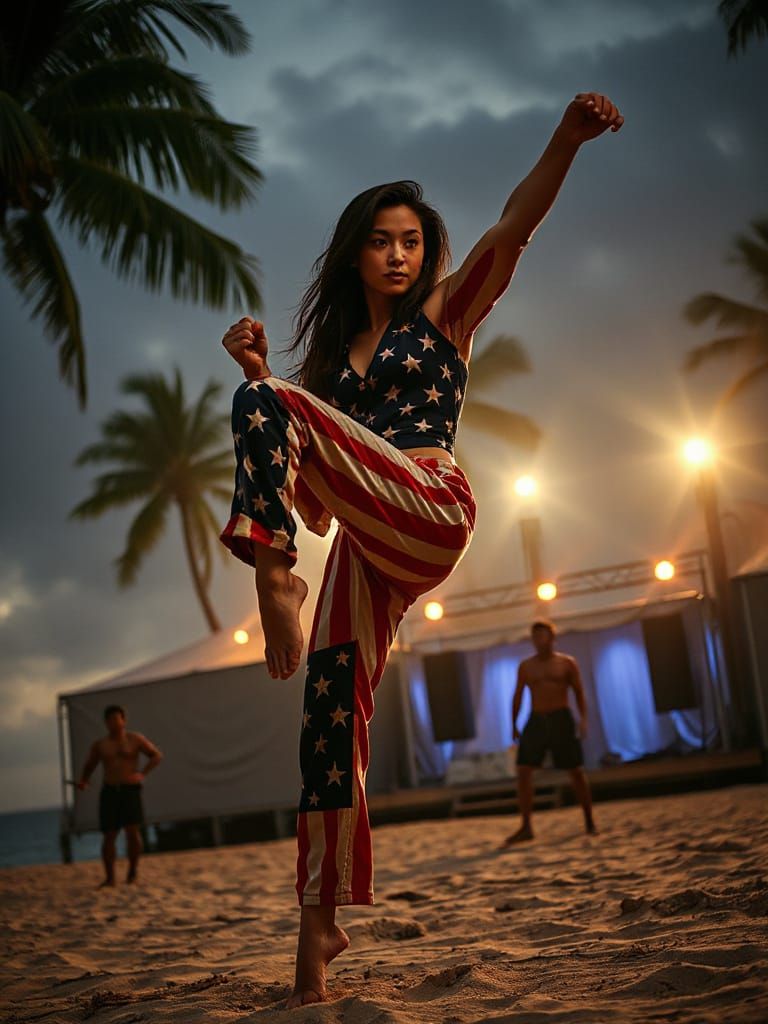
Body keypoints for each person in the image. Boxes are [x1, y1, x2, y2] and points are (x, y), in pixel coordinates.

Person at [219, 92, 622, 1006]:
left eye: (411, 240)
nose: (399, 255)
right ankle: (319, 923)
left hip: (430, 502)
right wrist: (261, 381)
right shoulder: (327, 371)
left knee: (266, 402)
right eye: (381, 241)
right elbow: (319, 499)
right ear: (353, 250)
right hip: (364, 537)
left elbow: (513, 229)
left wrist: (564, 139)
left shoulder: (442, 319)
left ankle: (271, 577)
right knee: (328, 717)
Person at [505, 620, 597, 845]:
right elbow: (517, 695)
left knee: (575, 770)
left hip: (560, 717)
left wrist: (583, 720)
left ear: (552, 638)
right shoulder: (527, 666)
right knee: (524, 770)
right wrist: (514, 723)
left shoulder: (566, 663)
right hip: (537, 719)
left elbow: (579, 692)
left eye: (543, 636)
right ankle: (526, 826)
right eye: (535, 637)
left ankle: (589, 820)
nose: (539, 641)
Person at [77, 704, 163, 886]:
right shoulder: (101, 745)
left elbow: (156, 756)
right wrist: (84, 780)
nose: (114, 723)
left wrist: (142, 774)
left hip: (129, 790)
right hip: (110, 791)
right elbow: (89, 765)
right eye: (110, 720)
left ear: (123, 720)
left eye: (117, 719)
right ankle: (110, 878)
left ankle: (132, 872)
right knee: (109, 834)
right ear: (106, 723)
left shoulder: (135, 739)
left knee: (132, 832)